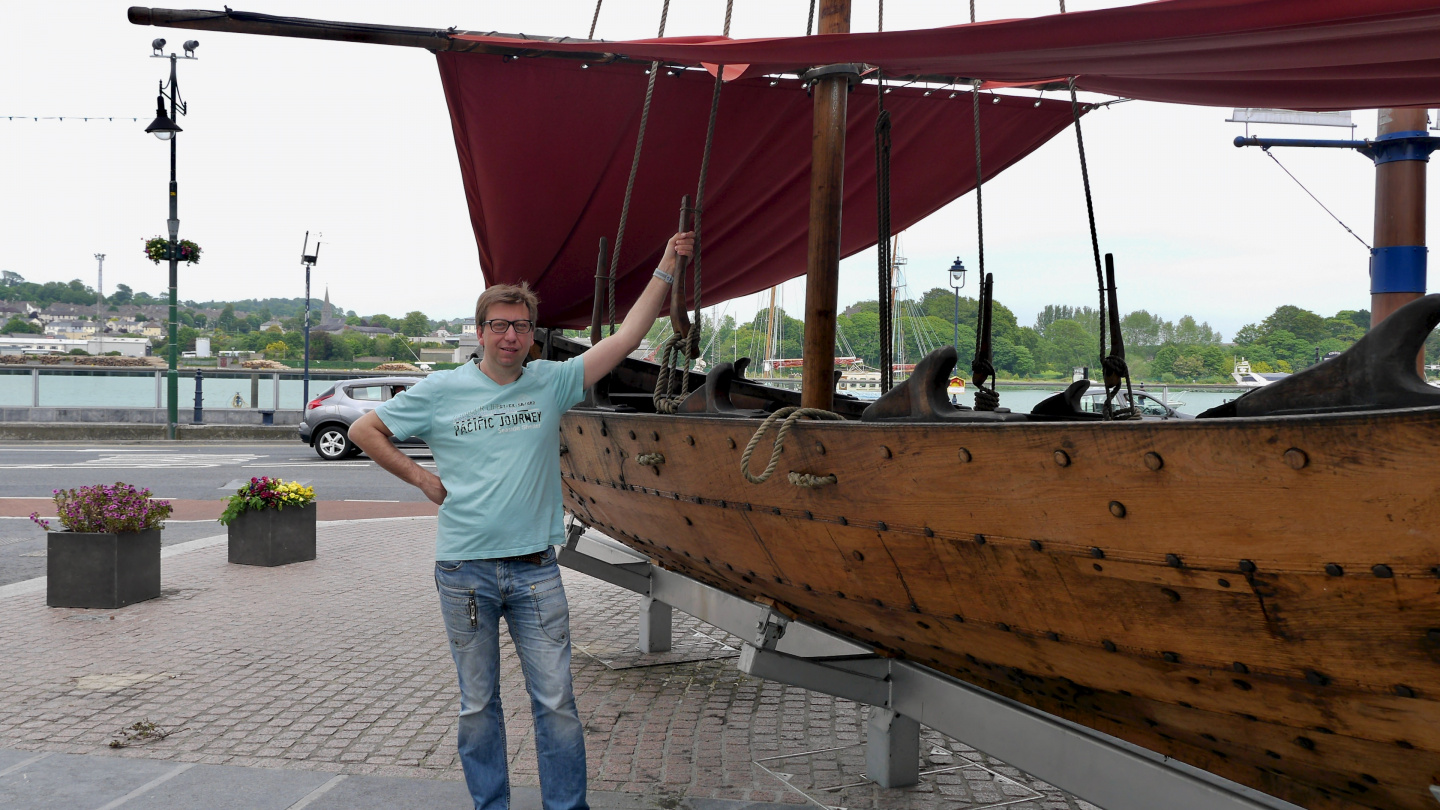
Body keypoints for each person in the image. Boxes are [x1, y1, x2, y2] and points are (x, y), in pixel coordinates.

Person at [349, 230, 695, 810]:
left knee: (556, 701)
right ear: (481, 331)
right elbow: (364, 430)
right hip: (463, 572)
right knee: (477, 704)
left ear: (532, 336)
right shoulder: (441, 390)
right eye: (500, 325)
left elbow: (631, 335)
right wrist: (421, 479)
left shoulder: (552, 383)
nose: (511, 335)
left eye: (521, 326)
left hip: (535, 571)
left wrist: (665, 265)